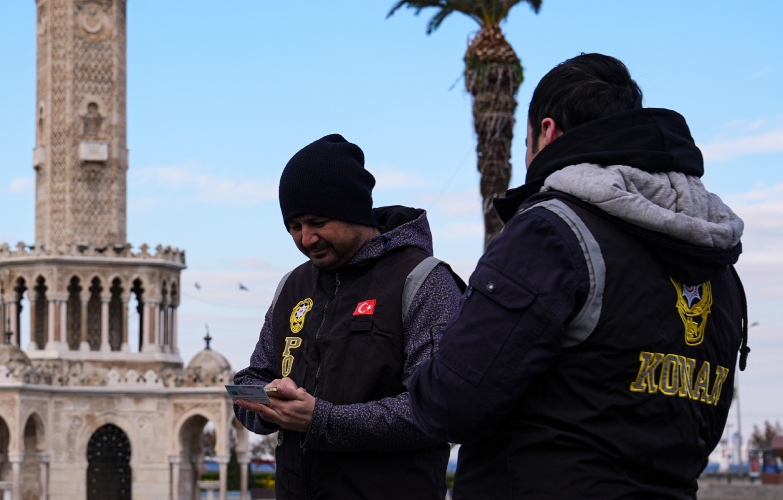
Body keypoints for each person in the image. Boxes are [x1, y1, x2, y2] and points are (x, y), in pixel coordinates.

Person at [408, 53, 749, 498]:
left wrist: (423, 360)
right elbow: (704, 426)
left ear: (547, 132)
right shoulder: (718, 263)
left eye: (525, 142)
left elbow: (451, 402)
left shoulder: (551, 232)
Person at [233, 134, 464, 499]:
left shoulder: (422, 280)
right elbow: (254, 376)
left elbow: (438, 410)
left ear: (354, 210)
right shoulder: (292, 286)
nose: (306, 239)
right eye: (294, 227)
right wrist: (263, 401)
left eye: (317, 222)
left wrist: (320, 420)